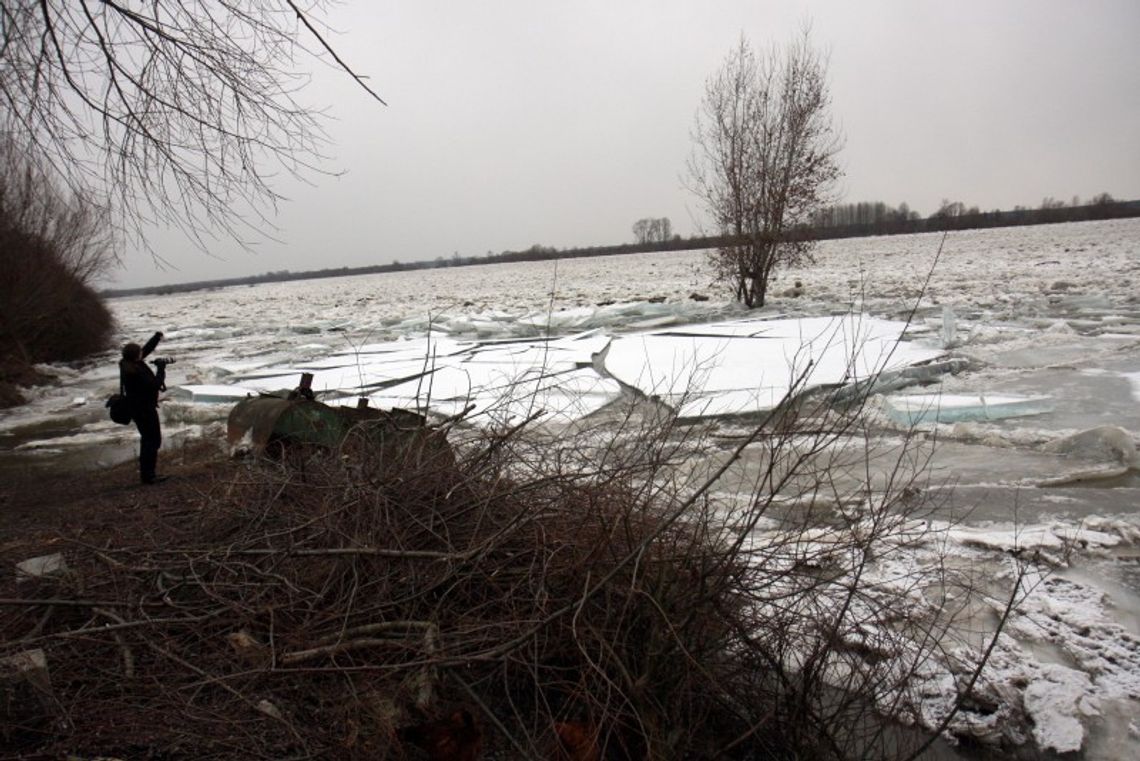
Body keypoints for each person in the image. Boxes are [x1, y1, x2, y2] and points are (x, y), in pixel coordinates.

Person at [120, 331, 168, 484]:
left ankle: (147, 474)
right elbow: (154, 385)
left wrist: (156, 338)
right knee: (152, 441)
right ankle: (149, 476)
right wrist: (161, 369)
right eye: (140, 353)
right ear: (136, 356)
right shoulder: (136, 371)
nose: (143, 353)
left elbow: (146, 350)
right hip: (144, 409)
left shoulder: (128, 364)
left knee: (148, 440)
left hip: (138, 408)